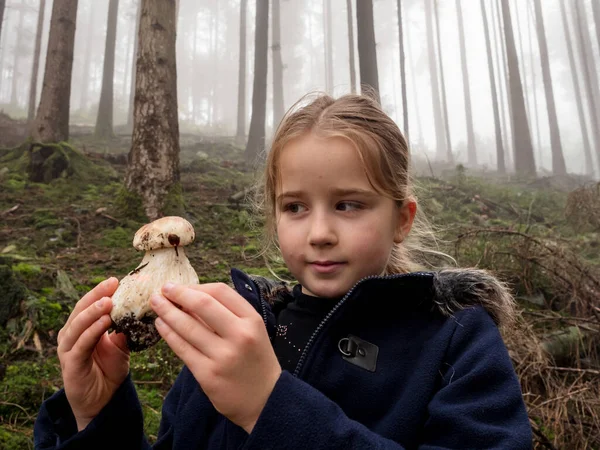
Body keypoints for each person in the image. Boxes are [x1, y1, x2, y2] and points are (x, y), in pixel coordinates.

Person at [34, 93, 532, 449]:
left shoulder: (457, 344)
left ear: (401, 219)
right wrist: (96, 416)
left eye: (349, 205)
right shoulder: (235, 330)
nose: (319, 232)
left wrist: (269, 407)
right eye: (295, 207)